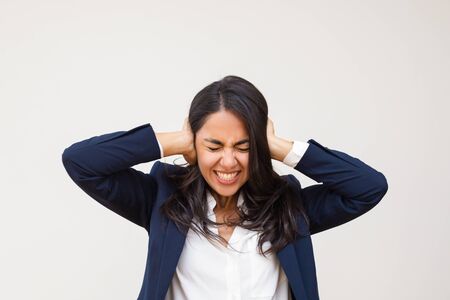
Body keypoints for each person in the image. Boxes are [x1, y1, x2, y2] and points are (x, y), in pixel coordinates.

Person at [62, 75, 388, 300]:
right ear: (195, 144)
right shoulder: (162, 199)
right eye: (214, 146)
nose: (228, 162)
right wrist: (177, 141)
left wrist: (276, 145)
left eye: (243, 146)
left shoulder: (287, 204)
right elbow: (82, 162)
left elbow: (368, 187)